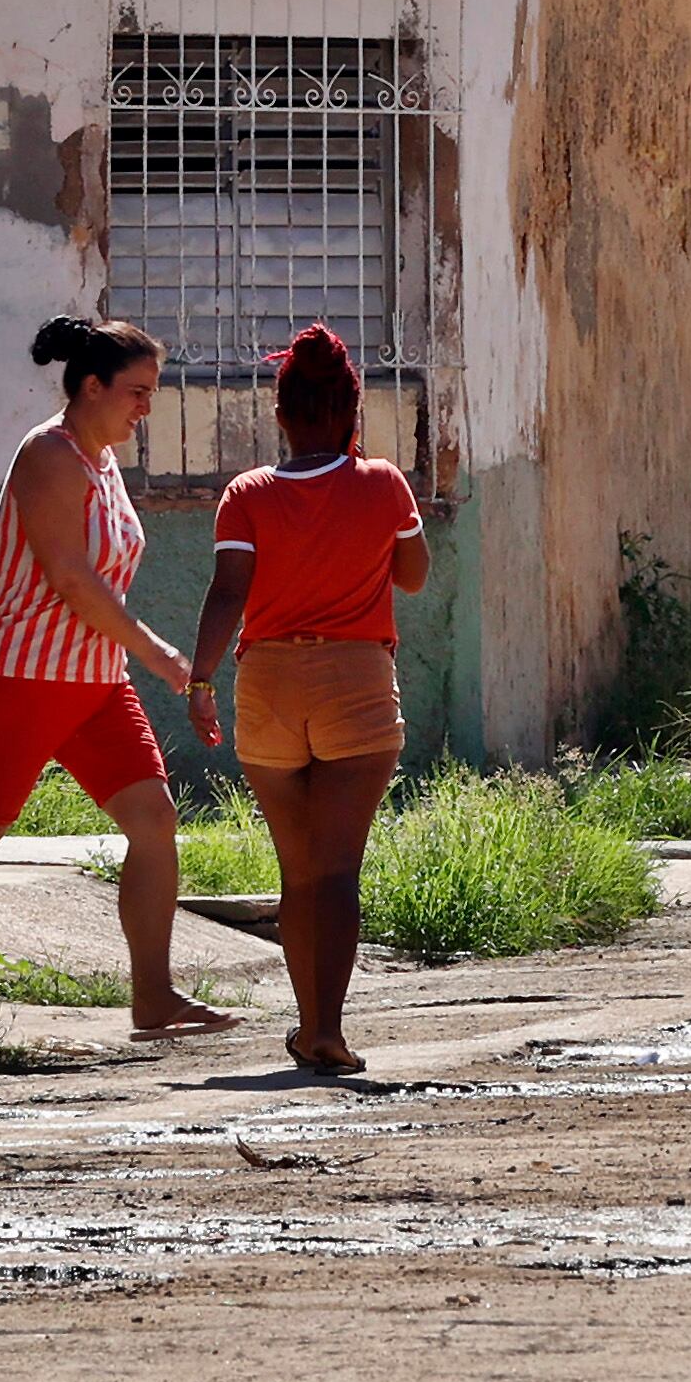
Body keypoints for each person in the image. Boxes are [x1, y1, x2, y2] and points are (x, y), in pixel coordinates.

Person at [0, 316, 231, 1038]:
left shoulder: (103, 460)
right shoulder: (47, 455)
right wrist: (161, 656)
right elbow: (73, 582)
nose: (147, 407)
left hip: (95, 683)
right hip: (20, 679)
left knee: (154, 822)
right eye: (137, 392)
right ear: (91, 386)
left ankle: (154, 997)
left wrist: (134, 660)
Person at [188, 326, 430, 1076]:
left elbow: (229, 592)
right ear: (351, 414)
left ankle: (304, 1024)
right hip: (356, 684)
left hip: (267, 686)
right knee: (338, 873)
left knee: (298, 874)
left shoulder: (247, 496)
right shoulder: (385, 484)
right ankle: (325, 1030)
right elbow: (414, 576)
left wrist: (199, 683)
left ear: (282, 416)